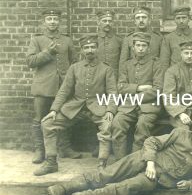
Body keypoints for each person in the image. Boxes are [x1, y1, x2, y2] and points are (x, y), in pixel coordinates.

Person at [46, 115, 192, 195]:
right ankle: (62, 188)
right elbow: (151, 141)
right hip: (147, 159)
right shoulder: (179, 133)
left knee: (128, 186)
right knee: (109, 173)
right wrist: (150, 162)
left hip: (161, 179)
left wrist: (190, 184)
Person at [33, 35, 118, 176]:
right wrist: (54, 110)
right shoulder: (74, 68)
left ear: (97, 49)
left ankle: (102, 164)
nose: (90, 50)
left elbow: (112, 92)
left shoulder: (106, 69)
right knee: (47, 123)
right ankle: (51, 162)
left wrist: (110, 110)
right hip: (75, 107)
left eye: (92, 47)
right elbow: (64, 90)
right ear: (82, 50)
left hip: (97, 107)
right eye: (86, 48)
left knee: (107, 125)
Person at [26, 9, 80, 164]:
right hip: (43, 87)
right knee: (39, 119)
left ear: (59, 22)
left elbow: (74, 62)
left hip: (63, 86)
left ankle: (65, 148)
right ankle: (40, 150)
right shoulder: (37, 40)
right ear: (44, 21)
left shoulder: (66, 40)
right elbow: (30, 62)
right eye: (49, 19)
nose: (52, 22)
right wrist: (47, 52)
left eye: (55, 19)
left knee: (64, 116)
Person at [111, 32, 163, 160]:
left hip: (149, 106)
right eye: (138, 45)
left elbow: (158, 89)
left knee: (142, 126)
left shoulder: (156, 64)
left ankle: (135, 161)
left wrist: (135, 95)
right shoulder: (126, 65)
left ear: (148, 48)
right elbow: (121, 87)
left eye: (143, 45)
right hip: (128, 105)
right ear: (132, 47)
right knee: (117, 123)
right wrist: (139, 88)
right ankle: (120, 161)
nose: (140, 48)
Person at [163, 41, 192, 130]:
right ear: (181, 54)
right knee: (183, 132)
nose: (189, 56)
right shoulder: (172, 71)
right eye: (186, 53)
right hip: (179, 111)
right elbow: (168, 97)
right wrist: (180, 113)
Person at [119, 6, 164, 70]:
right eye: (138, 18)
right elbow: (123, 63)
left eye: (144, 17)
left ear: (149, 20)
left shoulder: (158, 38)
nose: (141, 20)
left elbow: (162, 62)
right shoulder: (128, 39)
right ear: (134, 21)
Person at [95, 9, 122, 77]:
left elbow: (123, 62)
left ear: (113, 23)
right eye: (104, 21)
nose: (107, 23)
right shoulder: (93, 40)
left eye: (110, 21)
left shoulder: (119, 40)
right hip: (96, 76)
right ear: (98, 22)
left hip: (114, 77)